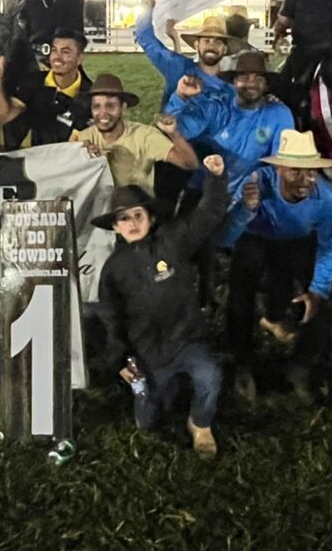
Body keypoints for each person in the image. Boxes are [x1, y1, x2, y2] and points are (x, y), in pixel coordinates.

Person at [96, 154, 230, 457]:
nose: (132, 223)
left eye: (138, 215)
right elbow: (110, 316)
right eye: (124, 218)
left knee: (210, 375)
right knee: (148, 420)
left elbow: (208, 214)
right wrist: (120, 360)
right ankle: (163, 394)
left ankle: (201, 423)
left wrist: (217, 178)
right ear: (115, 227)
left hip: (186, 340)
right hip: (146, 352)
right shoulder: (114, 269)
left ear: (151, 218)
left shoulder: (173, 242)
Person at [222, 130, 332, 402]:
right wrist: (245, 209)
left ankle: (300, 367)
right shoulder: (254, 184)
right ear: (278, 168)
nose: (305, 180)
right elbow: (225, 238)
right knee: (240, 294)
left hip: (299, 242)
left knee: (327, 302)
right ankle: (242, 361)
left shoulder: (329, 200)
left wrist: (318, 289)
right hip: (255, 240)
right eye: (295, 172)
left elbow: (330, 247)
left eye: (311, 172)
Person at [167, 52, 294, 189]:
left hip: (251, 194)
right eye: (244, 77)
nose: (251, 83)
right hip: (207, 190)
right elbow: (174, 130)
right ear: (234, 81)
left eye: (259, 78)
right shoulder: (217, 108)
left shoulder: (279, 114)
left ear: (267, 86)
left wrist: (251, 188)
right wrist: (180, 97)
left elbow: (281, 164)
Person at [71, 73, 198, 192]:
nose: (103, 113)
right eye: (97, 107)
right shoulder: (84, 137)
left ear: (123, 107)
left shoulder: (144, 136)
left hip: (136, 208)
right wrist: (78, 157)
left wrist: (174, 134)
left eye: (110, 106)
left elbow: (189, 164)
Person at [0, 27, 93, 148]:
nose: (57, 57)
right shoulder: (33, 83)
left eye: (65, 52)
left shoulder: (90, 95)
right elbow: (4, 116)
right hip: (35, 161)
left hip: (67, 164)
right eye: (54, 50)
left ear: (80, 58)